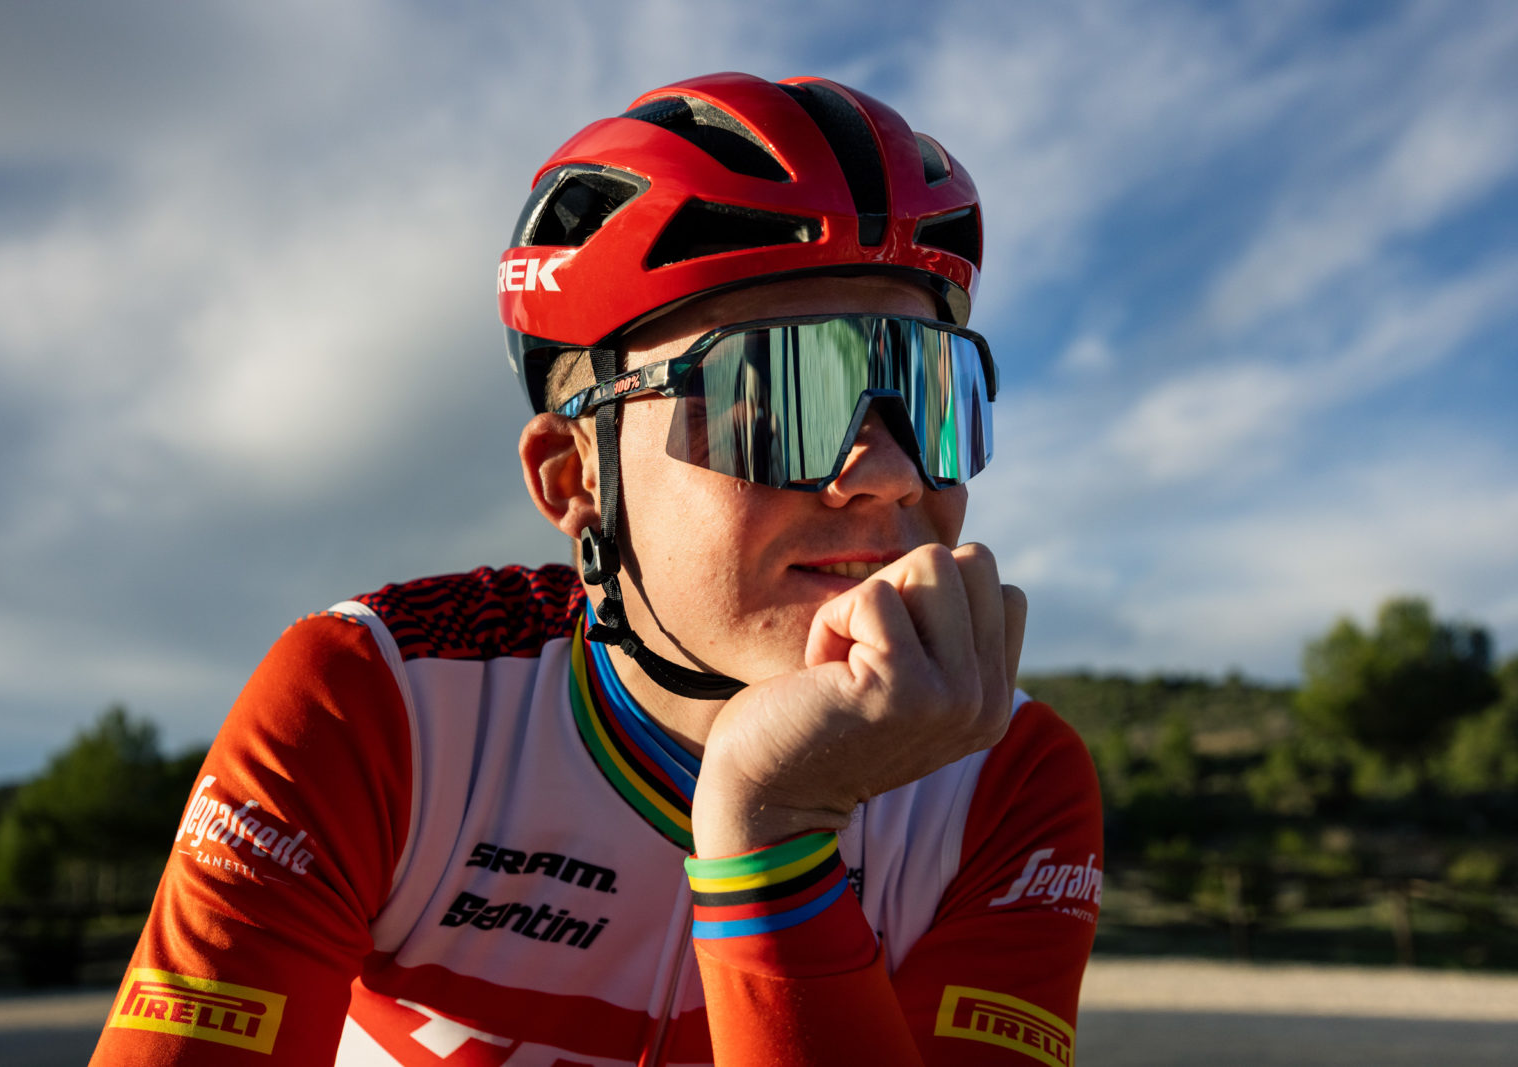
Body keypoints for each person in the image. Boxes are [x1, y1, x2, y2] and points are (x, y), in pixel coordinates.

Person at [90, 72, 1103, 1067]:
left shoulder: (1009, 780)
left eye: (928, 398)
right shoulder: (378, 702)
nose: (888, 472)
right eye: (778, 396)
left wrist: (775, 836)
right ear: (575, 476)